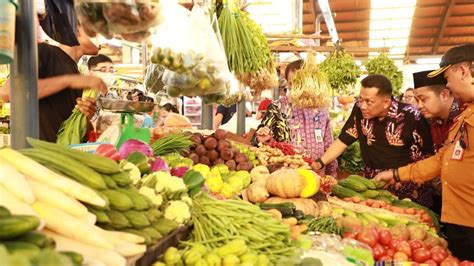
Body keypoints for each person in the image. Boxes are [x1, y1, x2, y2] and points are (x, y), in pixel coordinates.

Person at [375, 44, 474, 260]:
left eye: (447, 77)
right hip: (460, 219)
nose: (447, 84)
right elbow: (443, 160)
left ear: (463, 72)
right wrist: (397, 175)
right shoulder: (465, 115)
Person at [314, 74, 434, 206]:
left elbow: (429, 153)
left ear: (386, 103)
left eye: (369, 102)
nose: (363, 106)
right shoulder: (359, 111)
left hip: (406, 184)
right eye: (361, 100)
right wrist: (320, 162)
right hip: (372, 184)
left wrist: (403, 176)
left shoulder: (411, 116)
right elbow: (343, 140)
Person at [0, 25, 106, 142]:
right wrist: (69, 81)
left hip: (59, 155)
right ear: (77, 30)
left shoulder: (76, 73)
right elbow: (8, 92)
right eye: (96, 32)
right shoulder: (44, 51)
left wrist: (86, 116)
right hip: (34, 154)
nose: (102, 37)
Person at [254, 59, 338, 176]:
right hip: (285, 176)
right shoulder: (277, 107)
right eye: (290, 83)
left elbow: (329, 145)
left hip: (317, 176)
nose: (294, 88)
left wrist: (331, 175)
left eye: (298, 83)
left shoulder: (321, 110)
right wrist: (262, 138)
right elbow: (258, 142)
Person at [412, 70, 462, 216]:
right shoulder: (434, 119)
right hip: (445, 194)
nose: (419, 105)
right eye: (417, 100)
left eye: (423, 99)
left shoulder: (463, 116)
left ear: (445, 95)